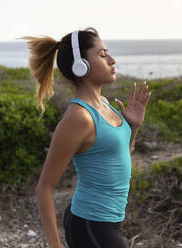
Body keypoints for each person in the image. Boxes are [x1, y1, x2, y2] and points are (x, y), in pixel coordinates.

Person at [23, 27, 151, 248]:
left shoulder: (106, 105)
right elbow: (44, 188)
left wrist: (134, 126)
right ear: (80, 65)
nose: (112, 60)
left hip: (108, 222)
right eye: (102, 55)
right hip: (90, 224)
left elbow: (117, 158)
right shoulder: (79, 118)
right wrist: (55, 245)